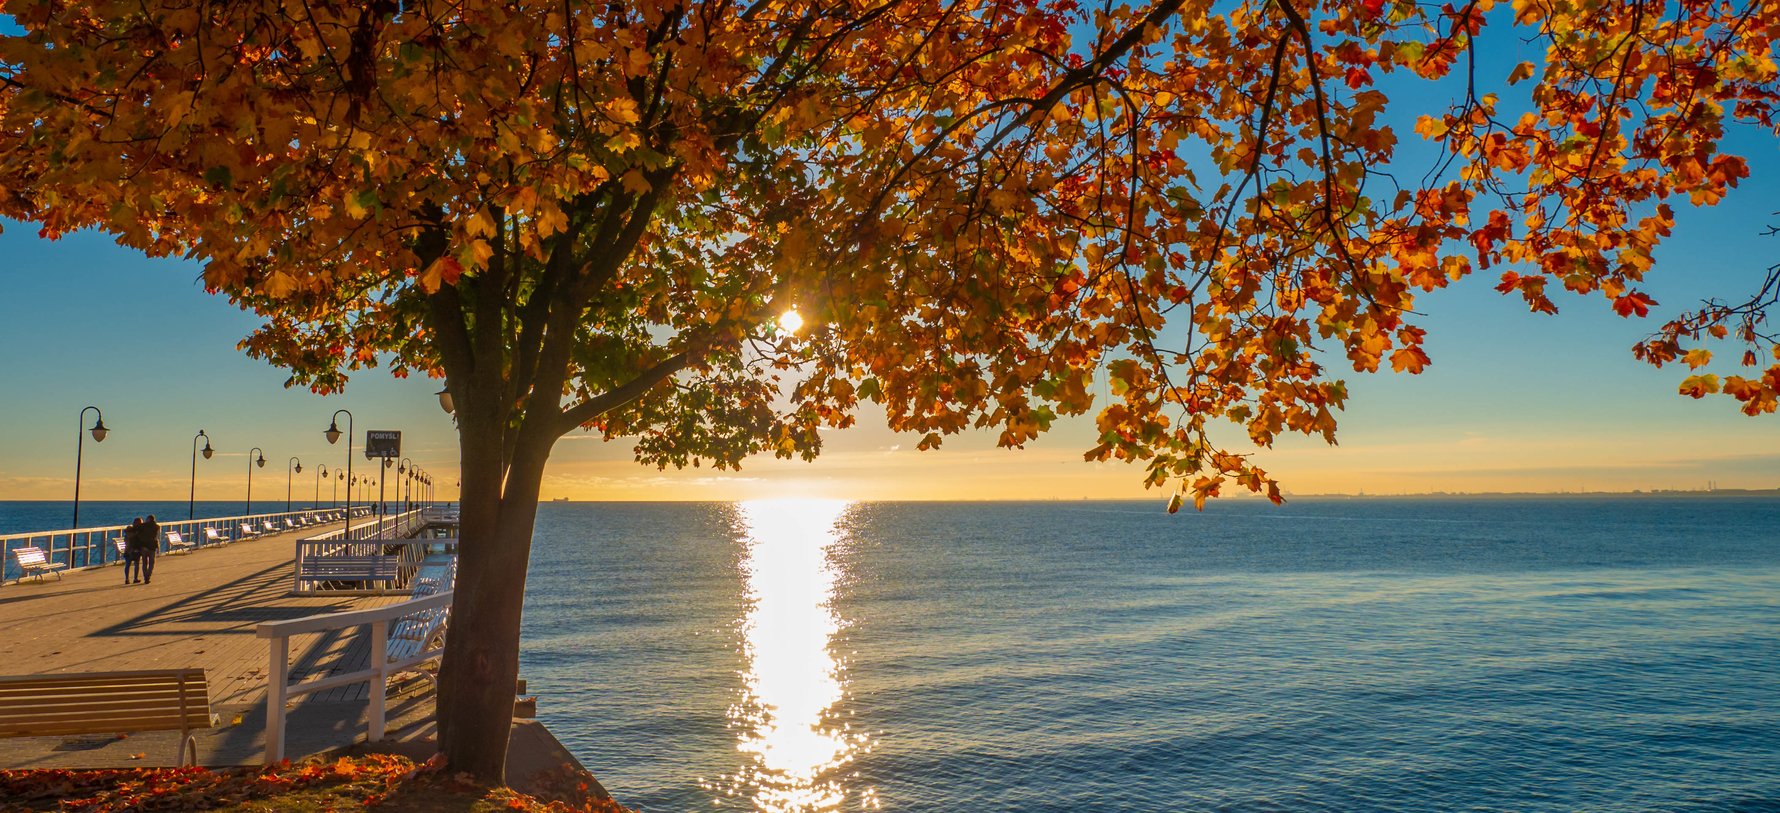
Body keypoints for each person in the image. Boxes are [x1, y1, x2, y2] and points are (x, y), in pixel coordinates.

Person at [140, 514, 161, 584]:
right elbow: (156, 537)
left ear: (148, 519)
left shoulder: (143, 526)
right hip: (152, 547)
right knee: (151, 563)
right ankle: (148, 576)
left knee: (144, 563)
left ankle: (145, 576)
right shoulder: (157, 527)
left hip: (144, 546)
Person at [123, 517, 143, 584]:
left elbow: (126, 541)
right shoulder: (137, 532)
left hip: (129, 550)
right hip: (134, 550)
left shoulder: (128, 531)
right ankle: (134, 578)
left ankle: (127, 579)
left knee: (128, 565)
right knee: (136, 564)